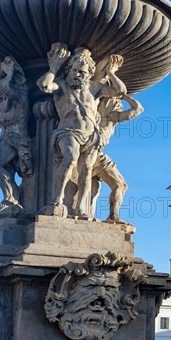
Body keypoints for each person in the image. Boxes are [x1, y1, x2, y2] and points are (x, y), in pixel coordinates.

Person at [37, 43, 126, 217]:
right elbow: (45, 86)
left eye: (83, 72)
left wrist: (110, 73)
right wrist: (54, 68)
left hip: (91, 136)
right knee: (70, 158)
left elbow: (120, 91)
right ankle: (57, 199)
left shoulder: (95, 88)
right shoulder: (62, 85)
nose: (79, 75)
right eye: (76, 71)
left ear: (90, 73)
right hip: (68, 132)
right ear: (69, 70)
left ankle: (81, 208)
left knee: (86, 169)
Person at [0, 56, 32, 216]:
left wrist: (9, 73)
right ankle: (11, 198)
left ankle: (12, 198)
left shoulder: (19, 98)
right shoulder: (0, 105)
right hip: (7, 138)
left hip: (18, 139)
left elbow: (5, 88)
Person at [90, 95, 144, 223]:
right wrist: (124, 96)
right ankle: (113, 216)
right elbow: (138, 109)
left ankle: (113, 215)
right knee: (120, 185)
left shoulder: (100, 114)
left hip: (97, 154)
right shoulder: (112, 116)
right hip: (96, 155)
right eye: (118, 103)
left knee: (121, 186)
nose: (120, 106)